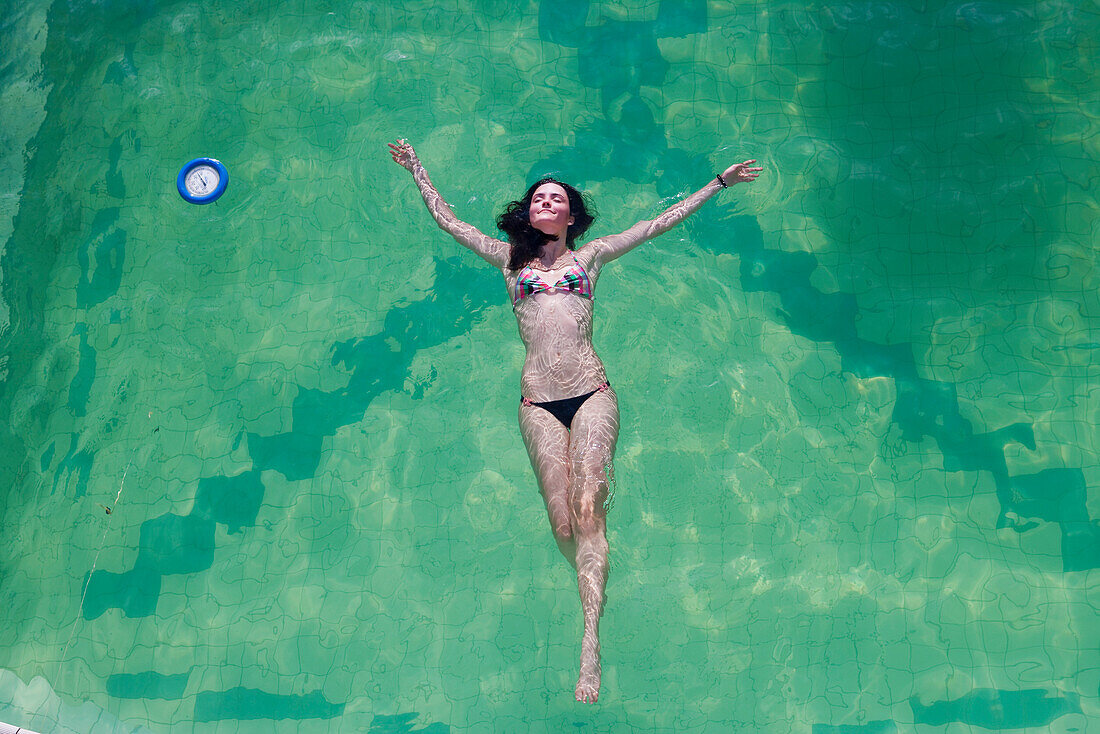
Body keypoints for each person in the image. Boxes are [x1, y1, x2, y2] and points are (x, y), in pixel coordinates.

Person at [389, 139, 761, 703]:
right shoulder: (506, 258)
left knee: (589, 512)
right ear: (529, 211)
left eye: (555, 197)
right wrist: (417, 168)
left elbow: (658, 223)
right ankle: (591, 569)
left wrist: (718, 183)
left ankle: (590, 638)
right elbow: (448, 223)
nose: (544, 201)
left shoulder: (591, 257)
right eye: (538, 196)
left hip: (591, 393)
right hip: (536, 402)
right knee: (565, 529)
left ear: (570, 214)